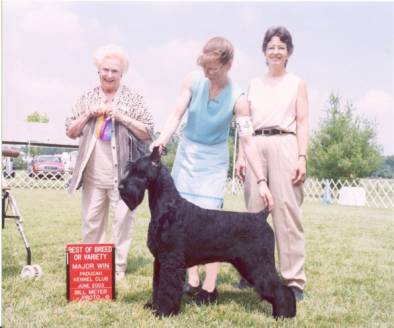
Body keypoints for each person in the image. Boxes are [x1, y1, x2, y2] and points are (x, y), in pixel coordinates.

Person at [152, 36, 273, 305]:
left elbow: (249, 141)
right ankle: (191, 282)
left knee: (212, 225)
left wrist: (262, 181)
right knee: (184, 219)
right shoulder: (192, 81)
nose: (207, 72)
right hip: (187, 153)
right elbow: (176, 115)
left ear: (228, 64)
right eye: (204, 66)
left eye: (213, 68)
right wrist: (162, 139)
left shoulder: (239, 99)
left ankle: (209, 288)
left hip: (214, 160)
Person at [65, 44, 154, 281]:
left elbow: (148, 131)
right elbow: (70, 130)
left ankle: (117, 269)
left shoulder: (133, 99)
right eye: (105, 70)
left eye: (114, 71)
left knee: (123, 221)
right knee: (91, 221)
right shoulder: (87, 97)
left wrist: (122, 117)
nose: (109, 75)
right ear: (98, 71)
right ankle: (92, 268)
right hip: (94, 174)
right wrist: (88, 114)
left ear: (122, 74)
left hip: (125, 177)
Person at [235, 26, 309, 301]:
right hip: (255, 145)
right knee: (253, 213)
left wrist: (302, 156)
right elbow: (245, 124)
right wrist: (242, 155)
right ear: (264, 52)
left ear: (288, 51)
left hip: (285, 144)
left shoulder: (296, 83)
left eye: (281, 46)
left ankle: (293, 280)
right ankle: (250, 273)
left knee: (286, 214)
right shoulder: (253, 84)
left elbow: (302, 122)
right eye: (271, 47)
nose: (275, 51)